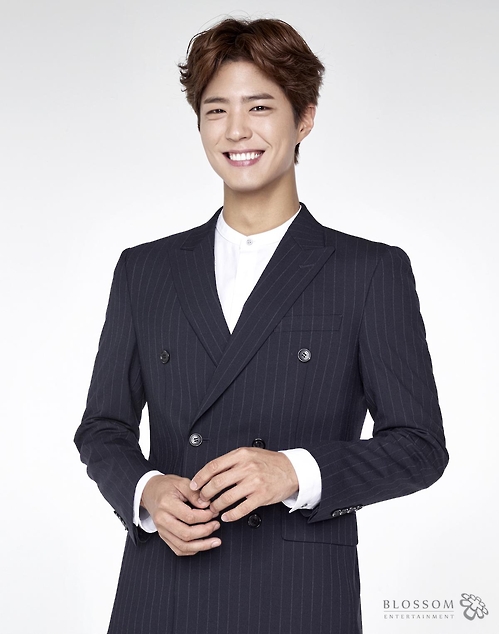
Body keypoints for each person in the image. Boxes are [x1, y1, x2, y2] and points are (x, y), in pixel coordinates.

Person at [75, 17, 448, 634]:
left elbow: (420, 446)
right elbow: (102, 426)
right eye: (216, 110)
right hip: (161, 594)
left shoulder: (369, 271)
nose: (236, 130)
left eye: (259, 107)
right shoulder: (145, 270)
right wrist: (146, 491)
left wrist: (295, 472)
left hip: (296, 597)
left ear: (304, 118)